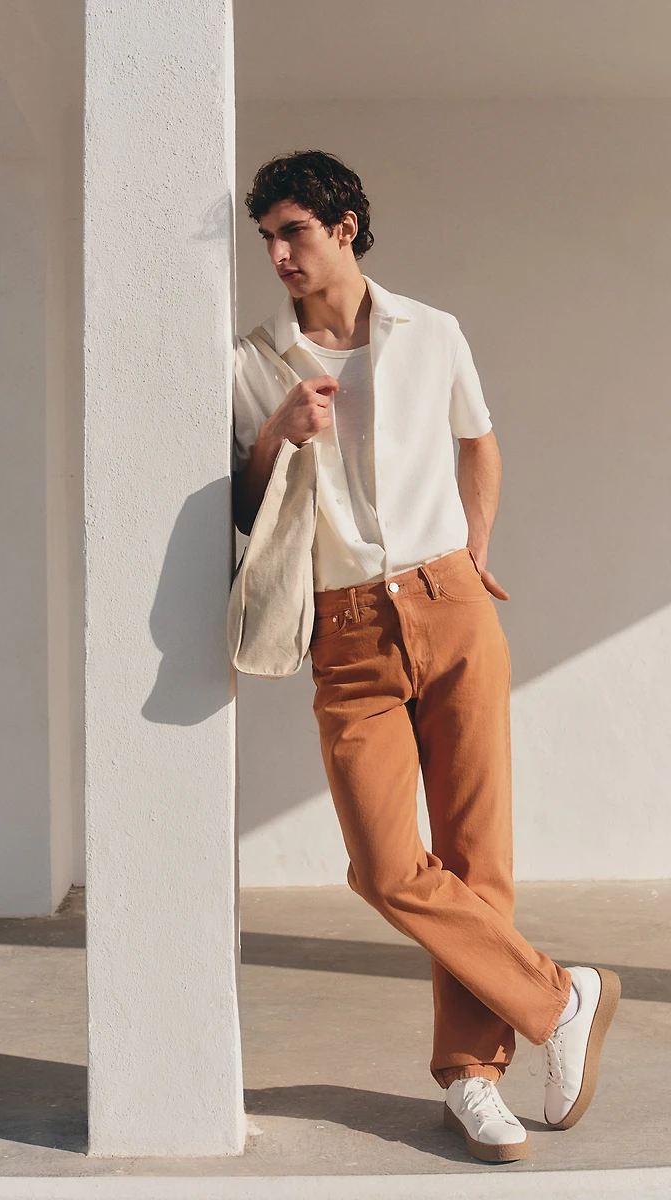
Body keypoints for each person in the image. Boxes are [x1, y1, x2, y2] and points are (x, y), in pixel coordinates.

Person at [231, 149, 621, 1164]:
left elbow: (477, 442)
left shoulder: (431, 331)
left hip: (449, 603)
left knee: (475, 855)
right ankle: (560, 998)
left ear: (345, 227)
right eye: (265, 237)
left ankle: (471, 1078)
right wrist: (280, 430)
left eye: (293, 232)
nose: (277, 254)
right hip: (346, 628)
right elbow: (242, 503)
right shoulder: (256, 360)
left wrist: (475, 555)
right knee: (382, 866)